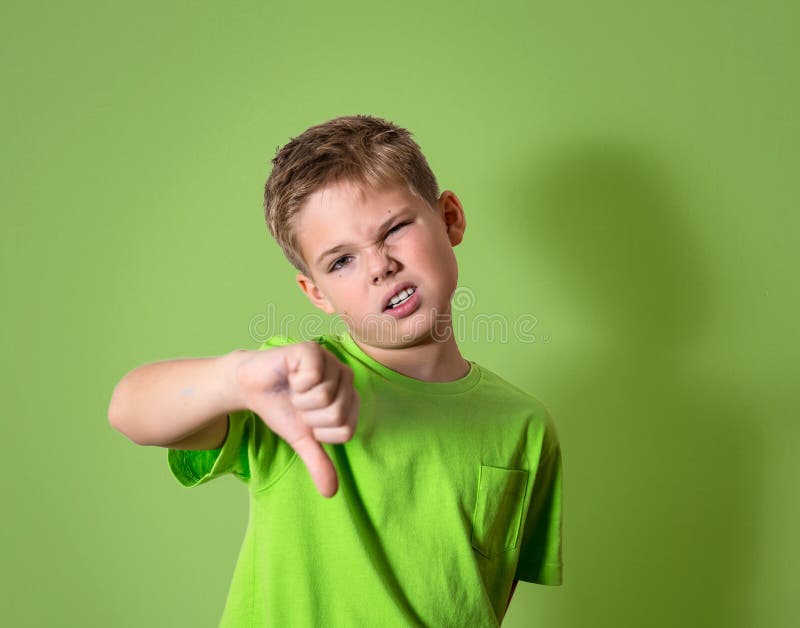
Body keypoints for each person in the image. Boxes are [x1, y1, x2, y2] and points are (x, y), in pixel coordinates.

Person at [107, 114, 563, 627]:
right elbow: (129, 409)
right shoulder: (292, 387)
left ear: (450, 217)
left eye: (394, 229)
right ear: (316, 292)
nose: (379, 265)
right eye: (341, 261)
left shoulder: (525, 425)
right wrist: (236, 378)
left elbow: (484, 601)